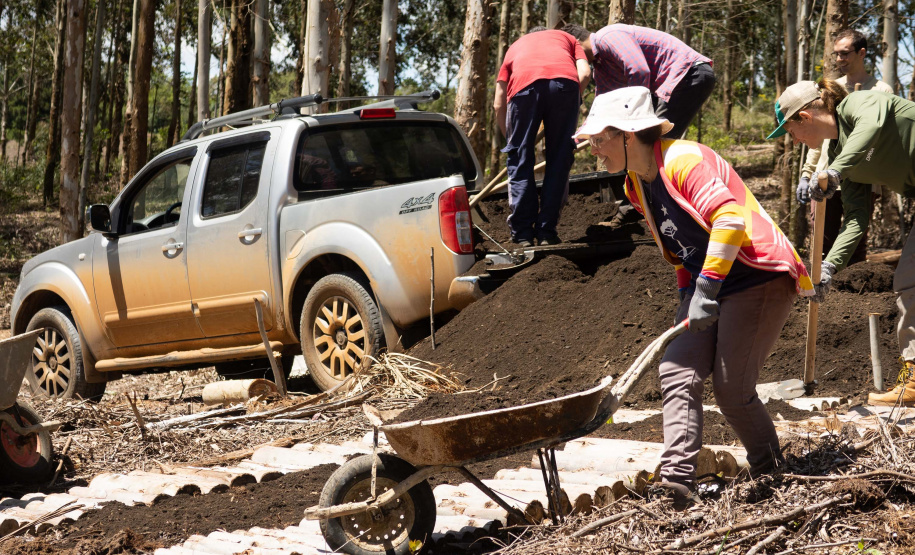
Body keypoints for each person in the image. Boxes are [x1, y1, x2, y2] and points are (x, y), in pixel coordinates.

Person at [577, 87, 814, 508]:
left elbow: (729, 220)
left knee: (731, 387)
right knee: (675, 370)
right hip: (708, 280)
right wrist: (689, 293)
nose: (595, 151)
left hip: (758, 273)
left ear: (629, 135)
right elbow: (680, 246)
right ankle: (676, 487)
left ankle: (772, 470)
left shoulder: (685, 160)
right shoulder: (637, 185)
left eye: (599, 140)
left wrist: (706, 287)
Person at [769, 79, 915, 406]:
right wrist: (828, 269)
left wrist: (834, 171)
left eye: (790, 131)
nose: (793, 139)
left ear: (804, 117)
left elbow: (873, 126)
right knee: (909, 279)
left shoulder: (859, 104)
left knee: (910, 278)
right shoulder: (838, 153)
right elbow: (856, 217)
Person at [795, 30, 894, 264]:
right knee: (822, 238)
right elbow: (815, 134)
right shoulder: (828, 91)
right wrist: (806, 173)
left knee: (856, 239)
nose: (839, 59)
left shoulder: (882, 91)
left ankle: (852, 291)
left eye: (845, 53)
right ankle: (823, 289)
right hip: (825, 174)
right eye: (836, 54)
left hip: (863, 176)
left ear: (862, 53)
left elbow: (885, 140)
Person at [493, 27, 591, 247]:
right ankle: (547, 232)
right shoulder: (568, 38)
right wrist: (569, 101)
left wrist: (512, 142)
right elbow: (584, 74)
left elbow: (498, 102)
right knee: (559, 158)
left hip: (523, 90)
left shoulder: (515, 47)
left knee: (520, 160)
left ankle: (523, 234)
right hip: (565, 85)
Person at [562, 23, 715, 139]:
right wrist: (577, 139)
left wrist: (633, 115)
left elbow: (639, 70)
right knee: (646, 143)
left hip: (689, 74)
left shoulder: (607, 35)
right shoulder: (601, 68)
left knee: (653, 143)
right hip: (678, 81)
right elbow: (601, 107)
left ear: (576, 43)